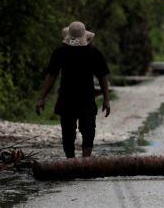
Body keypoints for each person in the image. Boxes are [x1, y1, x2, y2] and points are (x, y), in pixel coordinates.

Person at [36, 21, 110, 158]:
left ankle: (81, 161)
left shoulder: (64, 52)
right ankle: (75, 162)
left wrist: (42, 98)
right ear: (85, 36)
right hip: (76, 98)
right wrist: (106, 99)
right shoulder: (90, 52)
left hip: (74, 98)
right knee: (80, 132)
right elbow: (103, 77)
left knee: (77, 132)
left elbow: (51, 76)